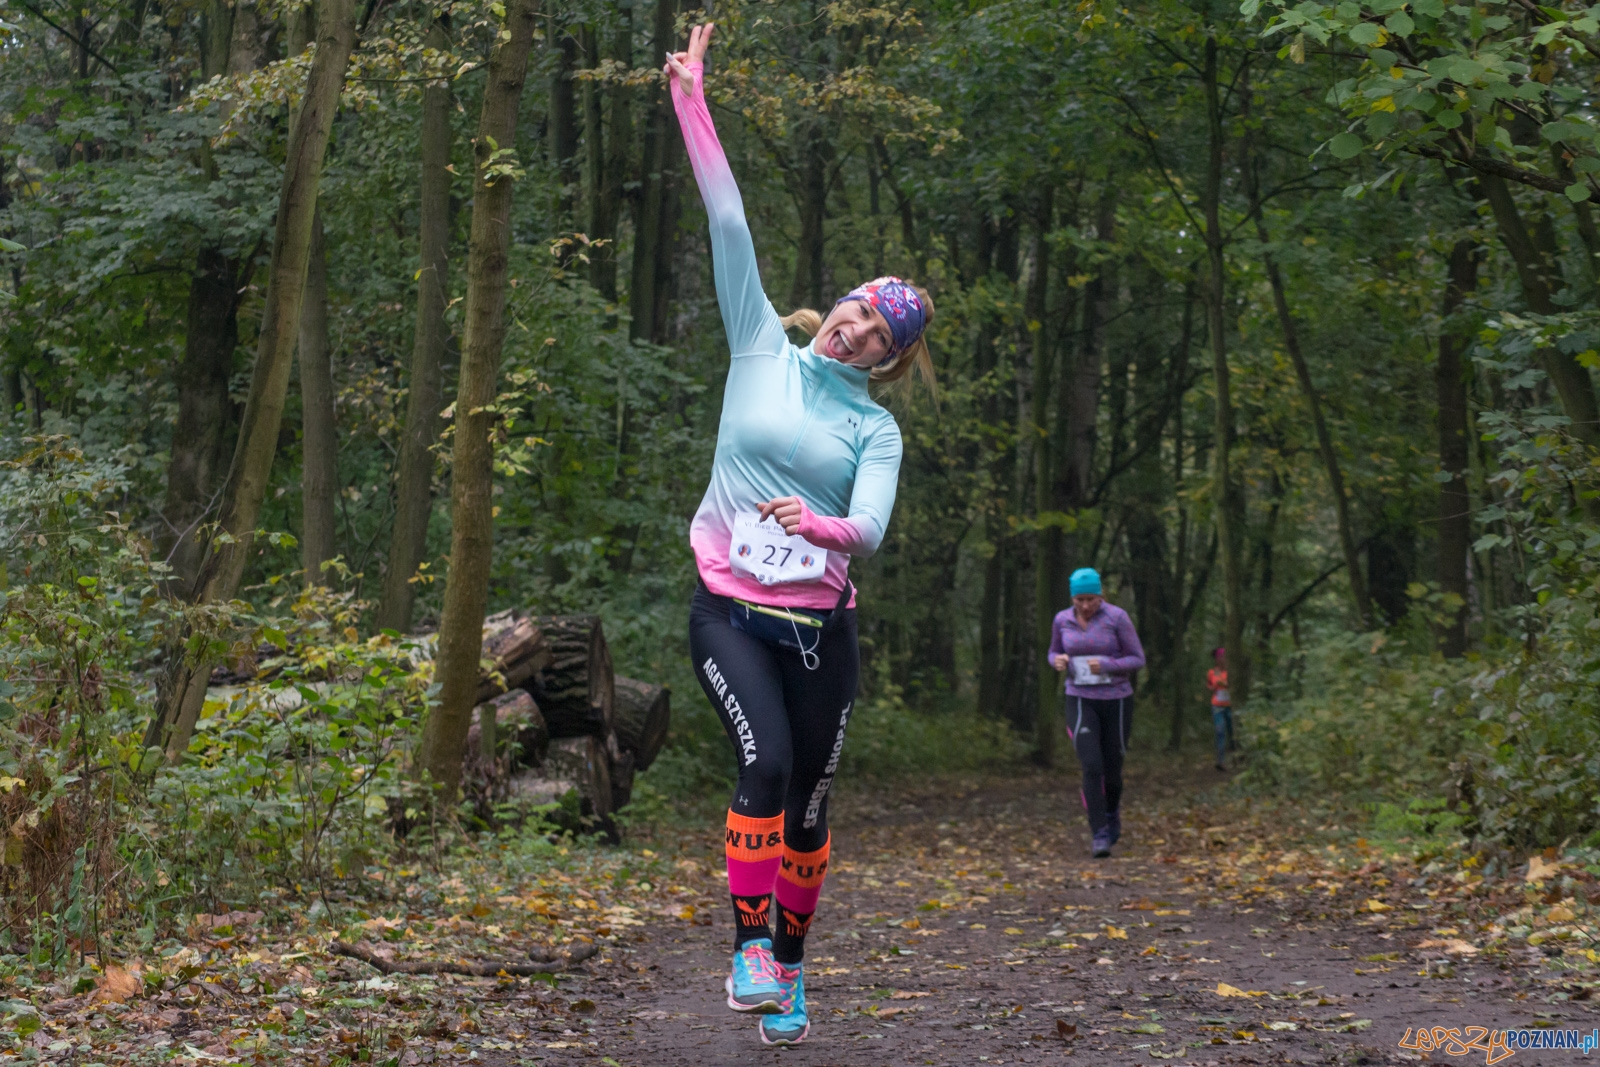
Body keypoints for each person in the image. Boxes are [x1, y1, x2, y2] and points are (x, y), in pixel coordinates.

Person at [666, 23, 935, 1048]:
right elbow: (726, 218)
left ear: (889, 359)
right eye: (859, 310)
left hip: (822, 629)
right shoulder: (758, 344)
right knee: (767, 764)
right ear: (840, 304)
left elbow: (865, 526)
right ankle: (746, 947)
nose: (858, 329)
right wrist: (694, 98)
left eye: (881, 335)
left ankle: (789, 967)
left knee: (813, 810)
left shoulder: (875, 426)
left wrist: (814, 522)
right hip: (730, 610)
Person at [1047, 567, 1146, 859]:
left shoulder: (1117, 618)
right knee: (1091, 764)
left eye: (1091, 599)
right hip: (1079, 698)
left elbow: (1137, 658)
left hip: (1116, 699)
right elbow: (1052, 651)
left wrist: (1108, 665)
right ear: (1072, 598)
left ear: (1101, 595)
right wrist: (1059, 660)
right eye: (1080, 600)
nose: (1086, 605)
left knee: (1113, 770)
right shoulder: (1062, 620)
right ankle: (1099, 832)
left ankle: (1112, 811)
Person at [1206, 647, 1234, 771]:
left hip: (1230, 706)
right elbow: (1211, 684)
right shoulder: (1214, 672)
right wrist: (1213, 687)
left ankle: (1235, 757)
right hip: (1217, 705)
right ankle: (1220, 761)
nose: (1222, 659)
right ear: (1217, 659)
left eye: (1224, 657)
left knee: (1232, 731)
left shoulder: (1231, 672)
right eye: (1220, 657)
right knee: (1220, 730)